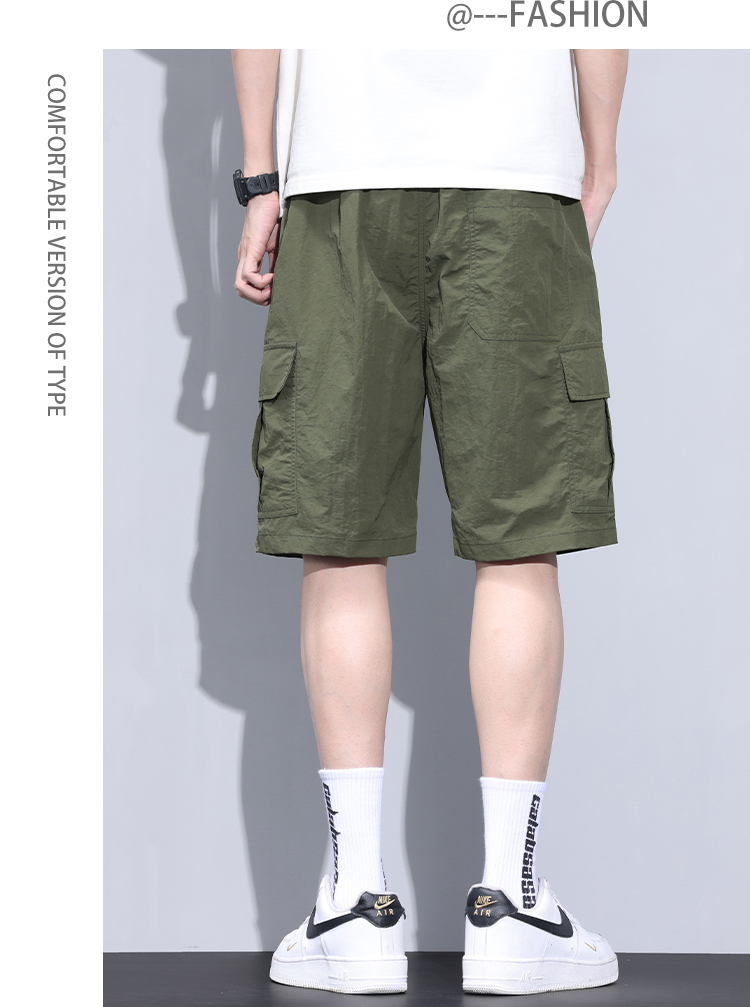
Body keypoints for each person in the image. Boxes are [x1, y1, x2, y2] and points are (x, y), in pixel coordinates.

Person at [231, 47, 628, 996]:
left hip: (341, 175)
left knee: (341, 535)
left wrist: (260, 179)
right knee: (521, 537)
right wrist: (599, 157)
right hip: (516, 173)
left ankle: (352, 911)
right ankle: (513, 908)